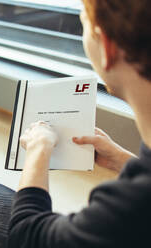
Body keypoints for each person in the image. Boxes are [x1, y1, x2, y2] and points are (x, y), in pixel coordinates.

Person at [8, 0, 151, 247]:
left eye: (83, 22)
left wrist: (38, 151)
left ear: (107, 47)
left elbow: (28, 235)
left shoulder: (130, 207)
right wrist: (123, 160)